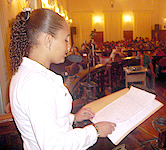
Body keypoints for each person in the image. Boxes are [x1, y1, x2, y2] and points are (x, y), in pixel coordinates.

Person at [9, 8, 116, 150]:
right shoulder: (36, 83)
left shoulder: (26, 72)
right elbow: (53, 145)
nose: (69, 46)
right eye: (65, 39)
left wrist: (73, 118)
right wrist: (94, 131)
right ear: (48, 40)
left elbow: (44, 120)